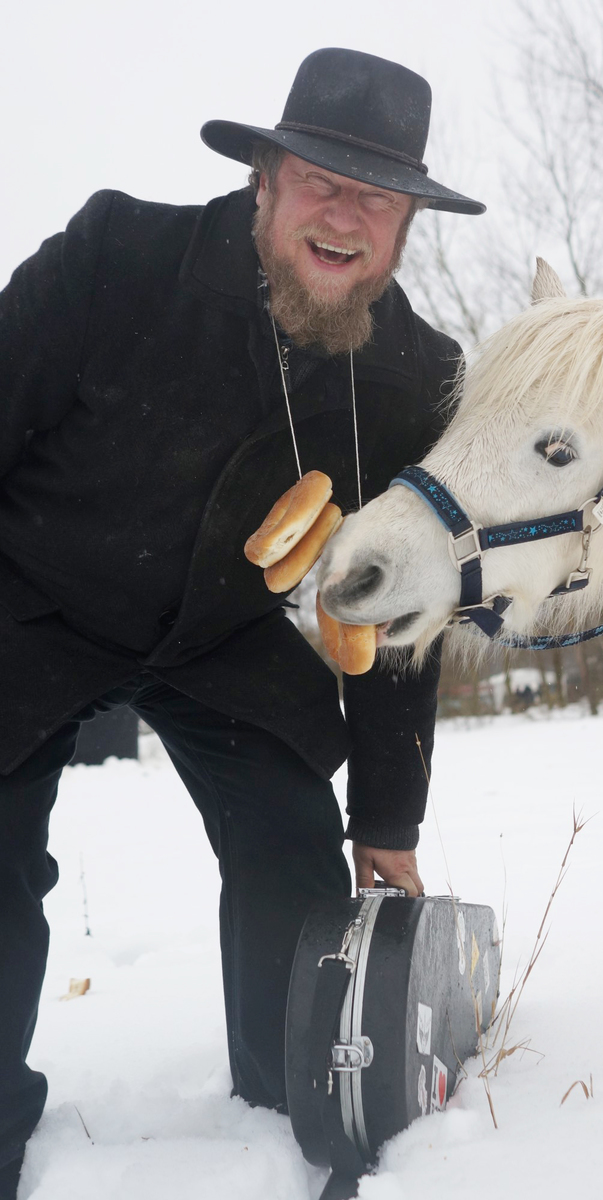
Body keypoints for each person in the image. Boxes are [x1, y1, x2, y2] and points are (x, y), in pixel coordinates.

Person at [0, 47, 484, 1197]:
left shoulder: (415, 380)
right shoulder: (116, 261)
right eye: (320, 177)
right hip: (31, 599)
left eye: (378, 197)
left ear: (408, 225)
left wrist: (389, 813)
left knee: (287, 845)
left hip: (218, 639)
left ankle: (293, 1112)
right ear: (264, 178)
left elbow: (396, 611)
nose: (345, 213)